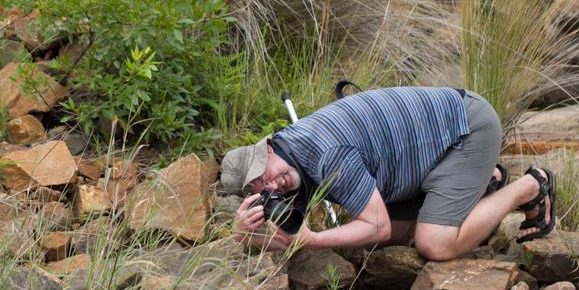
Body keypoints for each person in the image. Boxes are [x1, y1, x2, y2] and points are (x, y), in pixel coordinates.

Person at [220, 86, 556, 261]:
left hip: (467, 128)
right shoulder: (289, 155)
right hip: (421, 159)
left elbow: (376, 226)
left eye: (267, 173)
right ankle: (480, 183)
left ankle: (530, 186)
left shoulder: (326, 153)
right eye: (260, 187)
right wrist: (240, 234)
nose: (273, 185)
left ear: (268, 149)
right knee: (384, 243)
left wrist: (314, 240)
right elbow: (282, 238)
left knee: (433, 244)